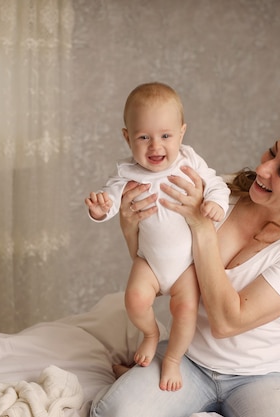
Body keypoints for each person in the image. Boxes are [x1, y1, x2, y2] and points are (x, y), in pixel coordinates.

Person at [90, 122, 280, 417]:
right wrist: (130, 227)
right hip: (185, 360)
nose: (263, 168)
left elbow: (227, 322)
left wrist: (202, 228)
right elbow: (161, 274)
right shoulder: (219, 193)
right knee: (114, 412)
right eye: (272, 153)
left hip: (262, 377)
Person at [85, 82, 230, 391]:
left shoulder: (190, 162)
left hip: (186, 266)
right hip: (148, 261)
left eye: (165, 136)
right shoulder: (126, 174)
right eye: (143, 137)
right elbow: (111, 202)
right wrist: (100, 211)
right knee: (134, 300)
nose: (155, 146)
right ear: (127, 137)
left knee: (186, 311)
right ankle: (151, 334)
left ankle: (173, 360)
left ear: (181, 132)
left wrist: (216, 202)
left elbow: (217, 183)